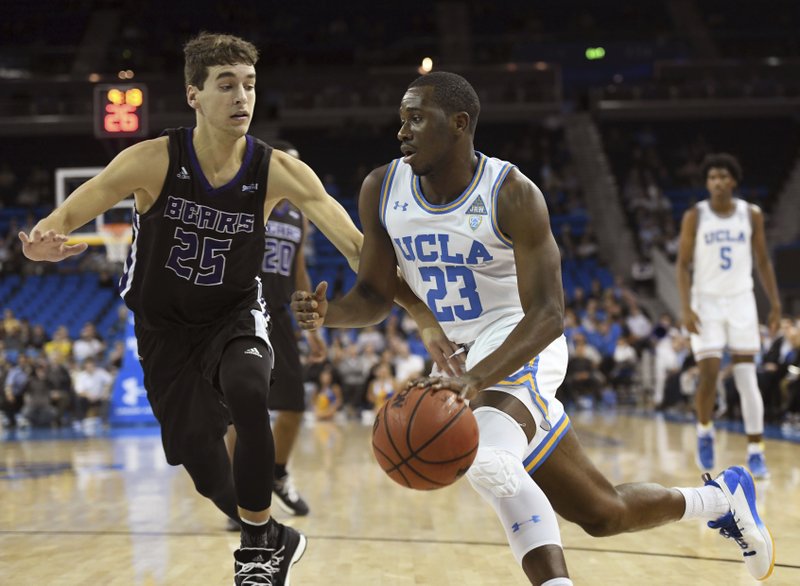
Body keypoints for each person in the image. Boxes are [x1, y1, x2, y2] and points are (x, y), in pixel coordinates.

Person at [292, 72, 775, 584]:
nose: (402, 132)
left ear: (459, 124)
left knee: (487, 457)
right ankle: (722, 497)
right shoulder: (382, 187)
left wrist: (474, 381)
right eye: (401, 120)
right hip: (465, 357)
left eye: (416, 119)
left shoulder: (512, 193)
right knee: (602, 513)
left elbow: (549, 314)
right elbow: (373, 295)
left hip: (522, 342)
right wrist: (331, 314)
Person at [18, 32, 456, 586]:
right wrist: (43, 240)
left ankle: (253, 554)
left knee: (250, 389)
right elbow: (73, 210)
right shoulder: (152, 160)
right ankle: (275, 536)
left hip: (235, 312)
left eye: (249, 84)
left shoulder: (277, 170)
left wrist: (420, 315)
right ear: (194, 95)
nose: (241, 97)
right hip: (163, 329)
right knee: (202, 468)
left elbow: (355, 247)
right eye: (226, 85)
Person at [225, 139, 325, 521]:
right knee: (244, 411)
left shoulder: (298, 215)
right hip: (244, 310)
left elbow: (298, 269)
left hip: (281, 314)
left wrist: (311, 327)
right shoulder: (245, 200)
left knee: (294, 407)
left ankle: (278, 475)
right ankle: (240, 493)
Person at [676, 153, 782, 479]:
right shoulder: (696, 215)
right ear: (707, 183)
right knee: (708, 373)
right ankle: (705, 429)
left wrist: (775, 304)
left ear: (733, 181)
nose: (718, 182)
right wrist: (685, 307)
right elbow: (682, 265)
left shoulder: (751, 215)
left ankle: (756, 450)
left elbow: (762, 262)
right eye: (712, 178)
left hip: (741, 301)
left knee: (747, 377)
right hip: (705, 302)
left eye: (723, 177)